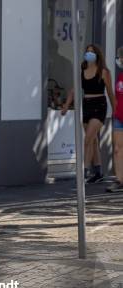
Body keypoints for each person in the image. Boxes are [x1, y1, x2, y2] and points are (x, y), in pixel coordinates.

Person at [62, 44, 117, 183]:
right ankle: (98, 172)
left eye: (92, 52)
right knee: (93, 140)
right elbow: (74, 89)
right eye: (87, 51)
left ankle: (84, 171)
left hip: (99, 106)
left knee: (87, 140)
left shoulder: (104, 71)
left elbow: (110, 93)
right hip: (86, 106)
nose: (89, 54)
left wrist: (117, 111)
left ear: (97, 55)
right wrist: (66, 105)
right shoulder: (83, 69)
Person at [107, 47, 123, 193]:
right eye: (120, 57)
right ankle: (119, 180)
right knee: (118, 149)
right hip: (119, 117)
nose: (120, 60)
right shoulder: (120, 77)